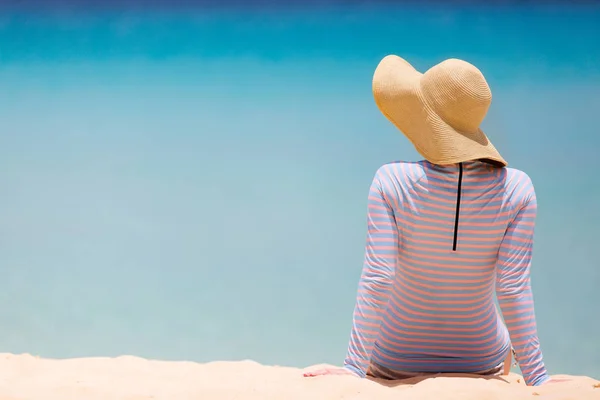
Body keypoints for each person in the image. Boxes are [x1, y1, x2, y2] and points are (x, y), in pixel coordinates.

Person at [304, 55, 554, 386]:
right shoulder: (517, 190)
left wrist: (353, 368)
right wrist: (538, 378)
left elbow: (379, 278)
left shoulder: (391, 181)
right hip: (483, 360)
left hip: (393, 360)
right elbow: (511, 288)